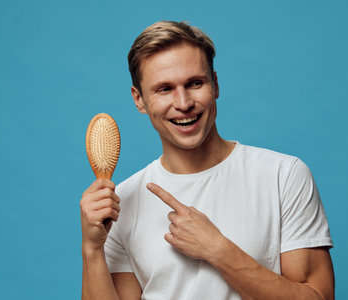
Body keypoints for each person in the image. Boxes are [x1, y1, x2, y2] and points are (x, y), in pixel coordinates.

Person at [80, 21, 334, 300]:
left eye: (195, 83)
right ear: (139, 100)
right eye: (164, 89)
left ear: (215, 84)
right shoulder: (123, 201)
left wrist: (218, 249)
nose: (183, 102)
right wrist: (92, 250)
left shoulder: (283, 176)